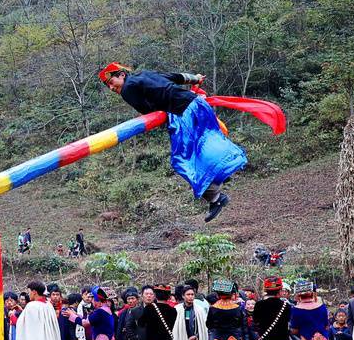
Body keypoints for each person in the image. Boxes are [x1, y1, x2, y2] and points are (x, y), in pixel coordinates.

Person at [99, 64, 247, 222]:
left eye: (111, 81)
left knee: (181, 160)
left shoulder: (128, 89)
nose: (111, 87)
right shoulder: (146, 73)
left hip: (184, 112)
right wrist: (196, 78)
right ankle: (222, 174)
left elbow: (147, 110)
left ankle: (216, 197)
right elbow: (176, 77)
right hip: (199, 105)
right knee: (204, 146)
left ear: (122, 75)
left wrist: (152, 113)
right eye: (107, 85)